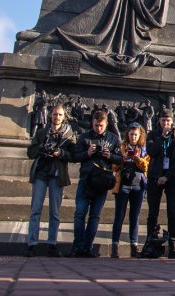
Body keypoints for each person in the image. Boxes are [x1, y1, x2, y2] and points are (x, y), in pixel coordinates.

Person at [70, 109, 122, 257]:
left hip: (102, 181)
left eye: (101, 125)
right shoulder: (84, 137)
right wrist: (87, 154)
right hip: (86, 179)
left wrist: (109, 155)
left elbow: (120, 159)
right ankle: (78, 245)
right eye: (95, 125)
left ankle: (87, 247)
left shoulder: (113, 138)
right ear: (92, 123)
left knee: (95, 215)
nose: (98, 128)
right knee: (80, 213)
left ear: (106, 124)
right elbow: (74, 156)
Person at [25, 104, 75, 257]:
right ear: (50, 116)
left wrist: (60, 153)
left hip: (56, 175)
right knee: (35, 210)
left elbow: (72, 155)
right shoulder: (41, 132)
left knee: (55, 212)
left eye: (60, 115)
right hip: (41, 173)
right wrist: (41, 147)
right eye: (54, 114)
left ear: (64, 117)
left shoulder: (68, 135)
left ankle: (52, 244)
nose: (57, 117)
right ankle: (32, 243)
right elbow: (30, 152)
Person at [145, 109, 175, 258]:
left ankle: (173, 247)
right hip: (155, 176)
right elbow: (151, 152)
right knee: (152, 213)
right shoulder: (152, 135)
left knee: (172, 213)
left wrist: (167, 177)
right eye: (163, 121)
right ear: (159, 121)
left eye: (168, 121)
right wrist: (161, 138)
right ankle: (150, 245)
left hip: (172, 178)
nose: (165, 124)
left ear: (172, 121)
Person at [110, 123, 149, 258]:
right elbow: (114, 166)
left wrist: (138, 159)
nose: (133, 137)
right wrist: (123, 158)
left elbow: (146, 167)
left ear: (140, 136)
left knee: (135, 217)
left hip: (138, 186)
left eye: (136, 135)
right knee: (119, 216)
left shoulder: (143, 149)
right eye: (131, 134)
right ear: (127, 134)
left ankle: (134, 246)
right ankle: (115, 246)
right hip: (123, 185)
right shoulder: (121, 148)